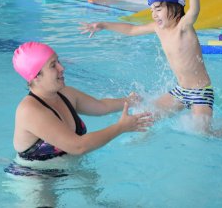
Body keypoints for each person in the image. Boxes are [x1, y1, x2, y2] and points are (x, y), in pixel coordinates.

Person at [80, 0, 222, 136]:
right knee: (147, 115)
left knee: (203, 134)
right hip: (180, 91)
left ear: (175, 7)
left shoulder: (183, 27)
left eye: (158, 9)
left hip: (200, 93)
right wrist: (103, 24)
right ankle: (143, 139)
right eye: (152, 9)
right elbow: (131, 30)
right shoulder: (158, 28)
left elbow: (193, 13)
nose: (154, 14)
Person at [9, 41, 153, 164]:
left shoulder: (66, 94)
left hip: (75, 169)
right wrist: (121, 127)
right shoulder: (30, 111)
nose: (62, 68)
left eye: (58, 61)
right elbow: (78, 146)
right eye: (53, 65)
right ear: (35, 77)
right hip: (37, 180)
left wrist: (130, 101)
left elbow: (101, 107)